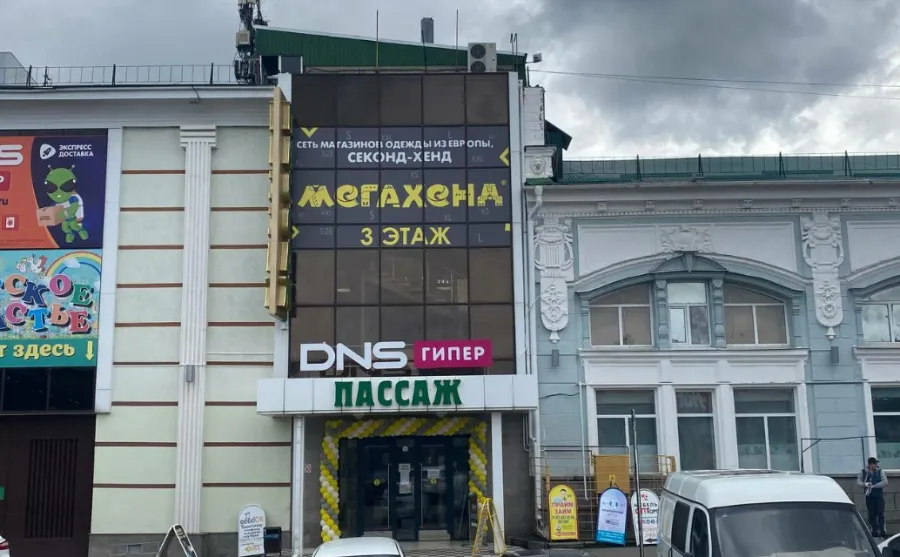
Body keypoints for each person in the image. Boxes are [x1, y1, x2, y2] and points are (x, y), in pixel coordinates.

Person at [858, 457, 888, 538]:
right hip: (869, 497)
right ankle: (874, 531)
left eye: (876, 464)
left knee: (880, 513)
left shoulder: (880, 471)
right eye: (874, 464)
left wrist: (876, 485)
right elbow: (859, 482)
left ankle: (883, 531)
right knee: (872, 514)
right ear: (870, 464)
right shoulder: (864, 472)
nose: (876, 465)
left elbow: (885, 482)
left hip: (878, 496)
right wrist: (865, 484)